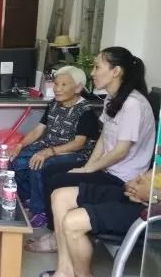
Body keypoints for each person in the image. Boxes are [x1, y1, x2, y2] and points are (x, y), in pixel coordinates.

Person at [34, 47, 155, 253]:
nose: (92, 73)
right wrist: (88, 166)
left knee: (58, 180)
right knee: (49, 170)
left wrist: (89, 170)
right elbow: (103, 138)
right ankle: (57, 232)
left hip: (123, 178)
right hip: (107, 168)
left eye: (97, 67)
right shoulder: (112, 99)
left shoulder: (133, 104)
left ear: (115, 71)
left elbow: (121, 150)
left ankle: (57, 238)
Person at [20, 169, 154, 277]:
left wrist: (150, 194)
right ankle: (65, 272)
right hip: (141, 194)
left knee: (73, 221)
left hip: (151, 211)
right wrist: (133, 185)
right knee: (60, 196)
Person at [9, 66, 99, 230]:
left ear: (78, 87)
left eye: (64, 85)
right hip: (49, 146)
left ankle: (41, 212)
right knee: (16, 160)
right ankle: (29, 199)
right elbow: (39, 130)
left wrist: (48, 152)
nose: (57, 89)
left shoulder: (85, 111)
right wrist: (20, 145)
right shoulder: (53, 104)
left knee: (39, 165)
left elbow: (79, 143)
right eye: (56, 84)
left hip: (74, 153)